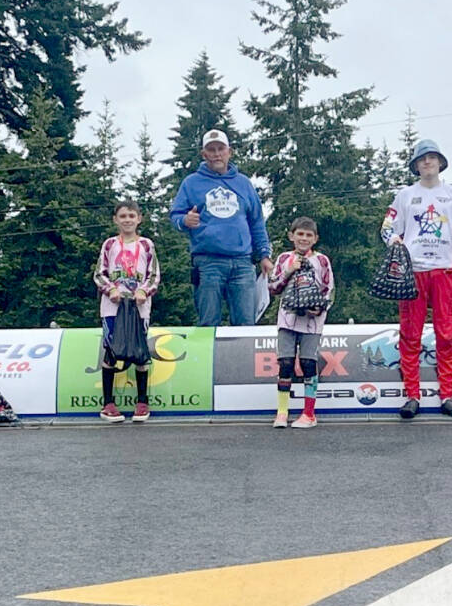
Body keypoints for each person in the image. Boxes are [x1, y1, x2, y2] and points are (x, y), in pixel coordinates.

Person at [380, 139, 452, 420]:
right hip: (413, 272)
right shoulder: (405, 195)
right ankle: (412, 395)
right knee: (410, 334)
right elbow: (387, 227)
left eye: (432, 158)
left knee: (445, 334)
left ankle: (448, 395)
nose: (427, 163)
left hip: (445, 270)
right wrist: (394, 241)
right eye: (422, 159)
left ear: (440, 162)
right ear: (416, 165)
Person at [169, 129, 272, 326]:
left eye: (220, 149)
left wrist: (264, 256)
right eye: (211, 149)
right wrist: (185, 221)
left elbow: (257, 222)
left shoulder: (244, 183)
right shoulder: (191, 183)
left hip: (243, 263)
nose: (216, 154)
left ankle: (242, 358)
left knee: (246, 324)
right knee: (208, 323)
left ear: (229, 152)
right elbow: (175, 216)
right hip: (208, 262)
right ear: (204, 154)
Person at [94, 200, 160, 423]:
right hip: (113, 306)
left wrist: (144, 291)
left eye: (131, 216)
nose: (127, 220)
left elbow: (154, 275)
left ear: (139, 218)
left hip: (139, 307)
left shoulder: (147, 245)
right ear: (115, 220)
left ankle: (142, 403)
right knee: (111, 350)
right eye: (123, 216)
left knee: (140, 351)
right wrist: (110, 288)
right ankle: (108, 404)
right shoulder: (109, 244)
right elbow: (99, 273)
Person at [267, 217, 335, 429]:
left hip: (312, 321)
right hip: (288, 318)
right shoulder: (284, 258)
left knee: (308, 363)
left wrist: (321, 308)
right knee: (285, 363)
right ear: (292, 236)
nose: (304, 239)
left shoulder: (322, 260)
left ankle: (309, 413)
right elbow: (273, 287)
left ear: (315, 238)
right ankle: (282, 412)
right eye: (300, 234)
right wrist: (288, 271)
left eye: (308, 235)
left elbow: (329, 289)